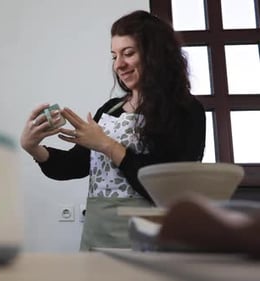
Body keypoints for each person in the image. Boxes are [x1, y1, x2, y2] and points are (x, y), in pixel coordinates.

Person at [20, 10, 206, 251]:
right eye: (114, 56)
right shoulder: (110, 109)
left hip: (151, 240)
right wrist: (33, 148)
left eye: (128, 53)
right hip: (97, 236)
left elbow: (171, 188)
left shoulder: (186, 110)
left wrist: (108, 145)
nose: (119, 64)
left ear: (156, 55)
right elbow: (75, 165)